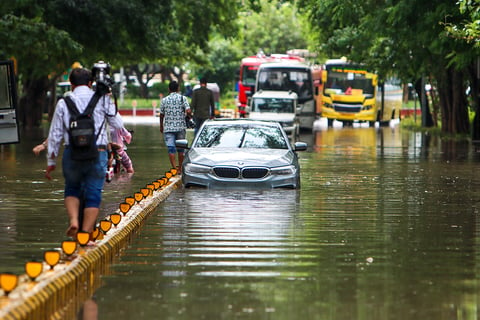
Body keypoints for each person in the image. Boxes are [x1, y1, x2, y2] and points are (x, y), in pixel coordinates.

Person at [45, 67, 123, 238]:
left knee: (71, 188)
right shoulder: (102, 99)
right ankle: (86, 234)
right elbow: (117, 123)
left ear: (71, 85)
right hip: (98, 153)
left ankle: (74, 220)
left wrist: (51, 163)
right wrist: (109, 98)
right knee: (94, 192)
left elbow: (55, 135)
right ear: (90, 83)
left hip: (71, 153)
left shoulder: (63, 103)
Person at [159, 80, 191, 171]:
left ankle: (174, 168)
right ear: (178, 89)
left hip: (168, 128)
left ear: (169, 89)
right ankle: (180, 169)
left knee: (171, 148)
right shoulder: (182, 98)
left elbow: (161, 115)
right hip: (180, 127)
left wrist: (161, 126)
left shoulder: (164, 100)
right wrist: (189, 115)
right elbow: (188, 111)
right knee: (181, 149)